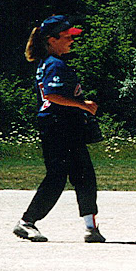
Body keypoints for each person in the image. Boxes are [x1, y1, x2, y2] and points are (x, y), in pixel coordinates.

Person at [13, 15, 105, 243]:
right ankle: (27, 222)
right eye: (66, 37)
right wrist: (83, 105)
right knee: (58, 177)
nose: (71, 40)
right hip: (57, 126)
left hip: (63, 126)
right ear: (51, 40)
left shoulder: (51, 62)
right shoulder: (54, 64)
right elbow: (52, 95)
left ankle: (91, 228)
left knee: (83, 175)